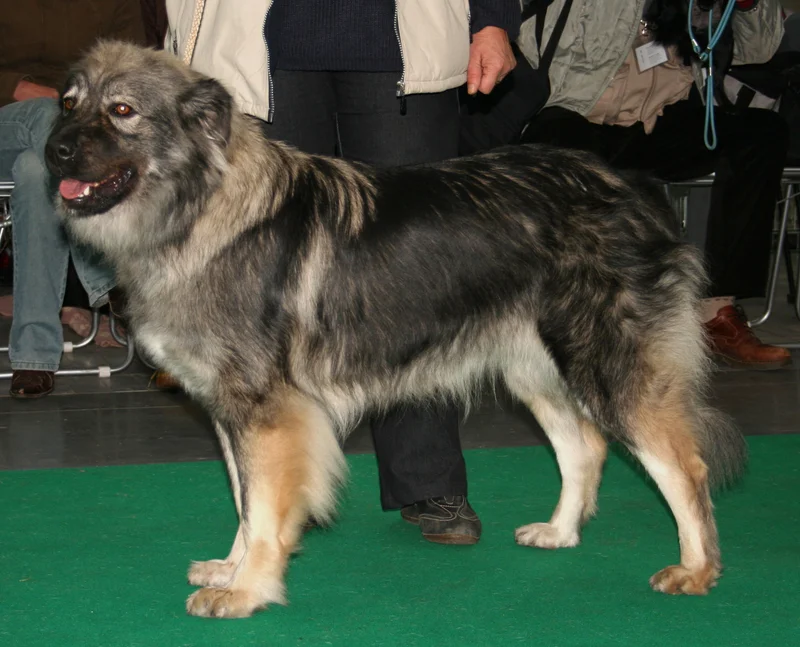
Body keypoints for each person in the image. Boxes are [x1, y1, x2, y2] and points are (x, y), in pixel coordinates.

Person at [165, 0, 520, 544]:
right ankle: (285, 488)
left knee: (415, 280)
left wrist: (493, 18)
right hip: (260, 43)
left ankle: (429, 479)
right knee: (269, 306)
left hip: (399, 39)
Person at [513, 0, 791, 370]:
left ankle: (717, 311)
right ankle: (569, 321)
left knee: (761, 135)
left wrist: (746, 6)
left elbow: (759, 50)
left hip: (655, 118)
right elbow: (531, 42)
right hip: (576, 111)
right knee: (554, 146)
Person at [0, 1, 146, 398]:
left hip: (75, 138)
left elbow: (135, 69)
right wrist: (19, 87)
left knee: (36, 172)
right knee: (48, 117)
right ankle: (109, 282)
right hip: (13, 119)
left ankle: (33, 358)